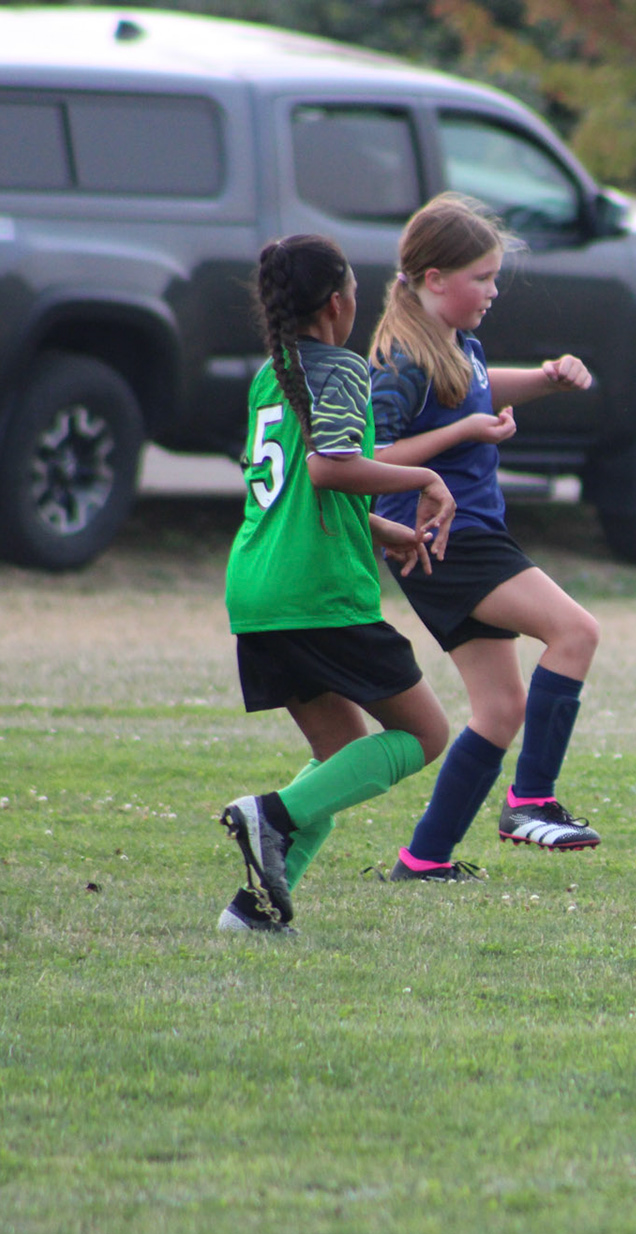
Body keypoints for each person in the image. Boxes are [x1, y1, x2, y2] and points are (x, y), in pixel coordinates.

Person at [218, 233, 456, 933]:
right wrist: (424, 478)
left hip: (258, 589)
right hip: (316, 590)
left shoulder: (272, 373)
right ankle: (270, 814)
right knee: (425, 734)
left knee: (339, 761)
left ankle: (257, 911)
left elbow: (296, 487)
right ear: (336, 302)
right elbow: (329, 466)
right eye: (355, 290)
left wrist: (378, 530)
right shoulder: (343, 370)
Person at [367, 192, 603, 882]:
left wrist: (546, 380)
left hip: (463, 538)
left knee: (500, 709)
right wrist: (465, 432)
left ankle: (423, 859)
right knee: (575, 632)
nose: (494, 291)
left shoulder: (452, 343)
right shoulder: (399, 362)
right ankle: (530, 801)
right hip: (445, 540)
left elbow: (475, 385)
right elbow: (370, 457)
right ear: (435, 279)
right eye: (483, 278)